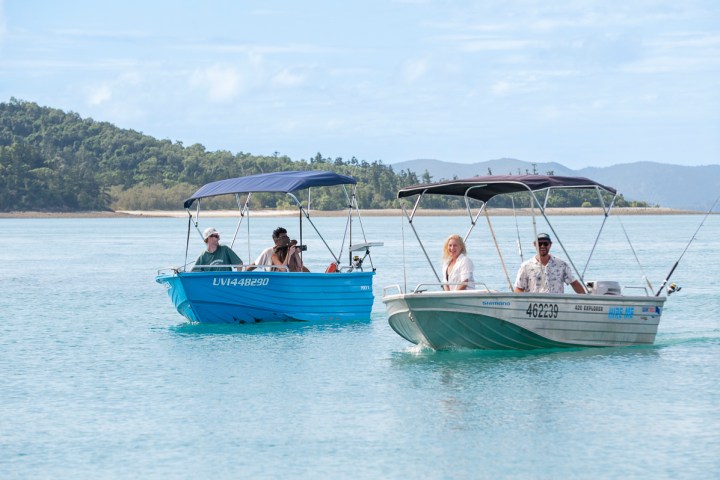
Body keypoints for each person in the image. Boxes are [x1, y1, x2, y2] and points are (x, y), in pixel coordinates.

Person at [514, 233, 585, 294]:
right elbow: (519, 288)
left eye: (545, 244)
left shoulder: (561, 264)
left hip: (557, 306)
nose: (542, 246)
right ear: (535, 244)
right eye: (539, 243)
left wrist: (586, 299)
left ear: (550, 245)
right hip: (533, 307)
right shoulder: (526, 266)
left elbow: (574, 283)